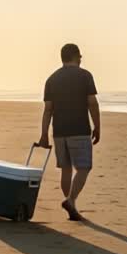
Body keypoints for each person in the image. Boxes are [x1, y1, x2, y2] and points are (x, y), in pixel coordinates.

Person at [37, 43, 100, 221]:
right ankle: (71, 200)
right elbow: (92, 103)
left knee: (66, 169)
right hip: (79, 129)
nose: (81, 59)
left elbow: (48, 109)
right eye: (79, 56)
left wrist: (44, 134)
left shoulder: (52, 79)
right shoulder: (85, 76)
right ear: (74, 56)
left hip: (59, 132)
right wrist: (97, 126)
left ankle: (71, 204)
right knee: (84, 167)